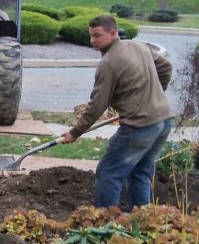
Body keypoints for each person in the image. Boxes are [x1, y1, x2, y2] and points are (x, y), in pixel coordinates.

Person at [62, 14, 173, 210]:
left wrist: (75, 132)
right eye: (90, 36)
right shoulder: (138, 46)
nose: (92, 41)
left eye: (97, 35)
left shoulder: (108, 63)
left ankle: (104, 226)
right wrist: (152, 98)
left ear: (113, 33)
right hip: (163, 121)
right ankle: (141, 225)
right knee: (140, 171)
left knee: (108, 173)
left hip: (140, 127)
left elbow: (97, 105)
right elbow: (165, 67)